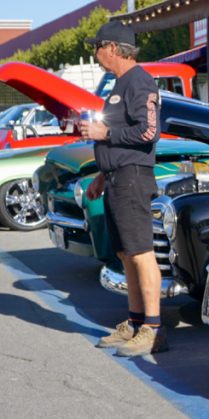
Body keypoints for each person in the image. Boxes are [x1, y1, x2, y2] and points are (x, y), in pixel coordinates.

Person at [80, 20, 166, 357]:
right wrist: (102, 175)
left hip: (133, 178)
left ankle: (154, 329)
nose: (96, 54)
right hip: (117, 178)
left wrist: (106, 135)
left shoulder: (139, 82)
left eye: (97, 47)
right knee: (126, 252)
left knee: (142, 251)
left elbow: (149, 132)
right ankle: (135, 321)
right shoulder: (120, 84)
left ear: (113, 48)